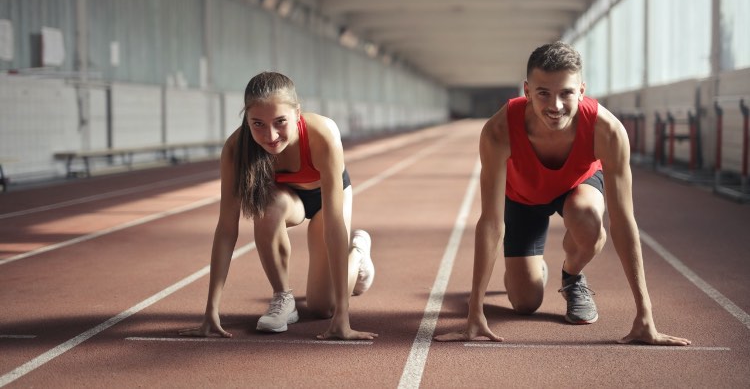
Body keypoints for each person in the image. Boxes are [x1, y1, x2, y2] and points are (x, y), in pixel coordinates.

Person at [435, 42, 690, 346]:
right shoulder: (498, 131)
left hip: (577, 187)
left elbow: (623, 222)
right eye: (544, 93)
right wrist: (474, 314)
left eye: (566, 93)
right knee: (525, 303)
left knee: (589, 222)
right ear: (526, 91)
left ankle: (572, 275)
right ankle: (532, 269)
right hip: (522, 197)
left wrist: (645, 315)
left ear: (582, 91)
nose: (555, 105)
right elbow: (490, 222)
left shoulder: (608, 131)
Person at [180, 71, 376, 340]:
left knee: (323, 308)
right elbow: (227, 228)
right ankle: (283, 299)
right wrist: (211, 310)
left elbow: (333, 224)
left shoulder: (323, 134)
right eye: (257, 123)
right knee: (267, 208)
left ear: (297, 113)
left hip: (327, 198)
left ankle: (359, 253)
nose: (270, 135)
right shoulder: (236, 149)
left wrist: (343, 317)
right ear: (246, 118)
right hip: (286, 199)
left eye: (280, 122)